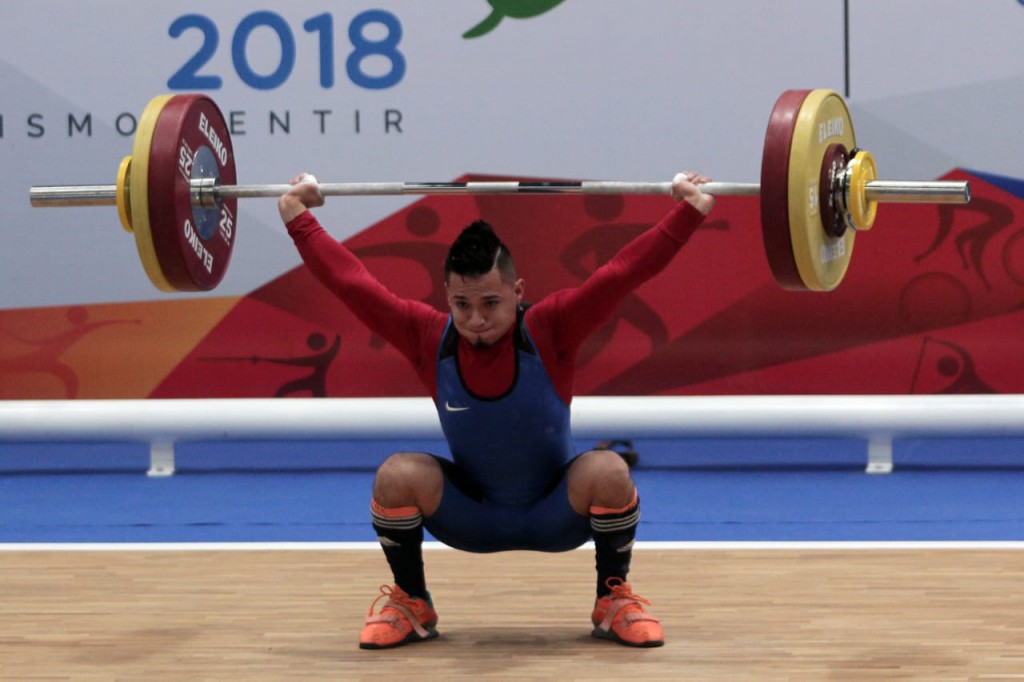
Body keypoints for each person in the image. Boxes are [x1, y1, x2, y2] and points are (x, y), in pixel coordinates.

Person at [278, 171, 715, 649]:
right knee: (396, 476)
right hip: (473, 516)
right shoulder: (427, 337)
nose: (475, 319)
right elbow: (351, 283)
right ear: (446, 296)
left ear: (518, 291)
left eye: (490, 303)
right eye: (461, 304)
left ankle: (613, 600)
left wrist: (689, 211)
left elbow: (622, 273)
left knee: (609, 471)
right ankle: (410, 602)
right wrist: (297, 216)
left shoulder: (552, 328)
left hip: (557, 512)